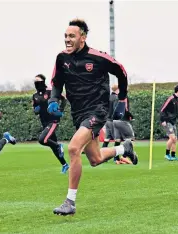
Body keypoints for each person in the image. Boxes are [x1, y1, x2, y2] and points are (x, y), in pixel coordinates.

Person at [48, 19, 138, 216]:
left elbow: (121, 71)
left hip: (97, 111)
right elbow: (56, 82)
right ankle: (125, 148)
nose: (67, 40)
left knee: (73, 148)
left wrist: (122, 97)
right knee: (95, 159)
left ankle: (70, 202)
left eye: (72, 36)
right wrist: (53, 99)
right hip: (78, 112)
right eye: (65, 36)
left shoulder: (98, 57)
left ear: (83, 37)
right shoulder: (61, 58)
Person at [32, 74, 69, 173]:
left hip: (53, 121)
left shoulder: (50, 92)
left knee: (42, 139)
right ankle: (65, 164)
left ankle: (58, 146)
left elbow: (64, 98)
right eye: (35, 81)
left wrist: (61, 109)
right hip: (44, 123)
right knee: (52, 145)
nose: (36, 83)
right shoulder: (34, 96)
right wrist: (36, 110)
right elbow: (34, 110)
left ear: (43, 81)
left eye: (38, 81)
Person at [160, 85, 178, 161]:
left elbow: (177, 113)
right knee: (172, 138)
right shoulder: (170, 99)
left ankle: (173, 155)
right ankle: (167, 154)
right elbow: (162, 109)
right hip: (167, 121)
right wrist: (162, 120)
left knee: (175, 139)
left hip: (173, 122)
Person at [112, 88, 135, 164]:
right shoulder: (124, 97)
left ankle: (116, 159)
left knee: (117, 140)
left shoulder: (115, 97)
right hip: (123, 120)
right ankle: (124, 157)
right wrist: (131, 115)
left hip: (114, 121)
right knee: (131, 139)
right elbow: (125, 108)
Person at [102, 84, 121, 163]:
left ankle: (102, 156)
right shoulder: (116, 98)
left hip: (107, 120)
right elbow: (116, 110)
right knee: (118, 139)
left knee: (107, 138)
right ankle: (116, 158)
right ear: (117, 90)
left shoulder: (108, 97)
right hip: (114, 120)